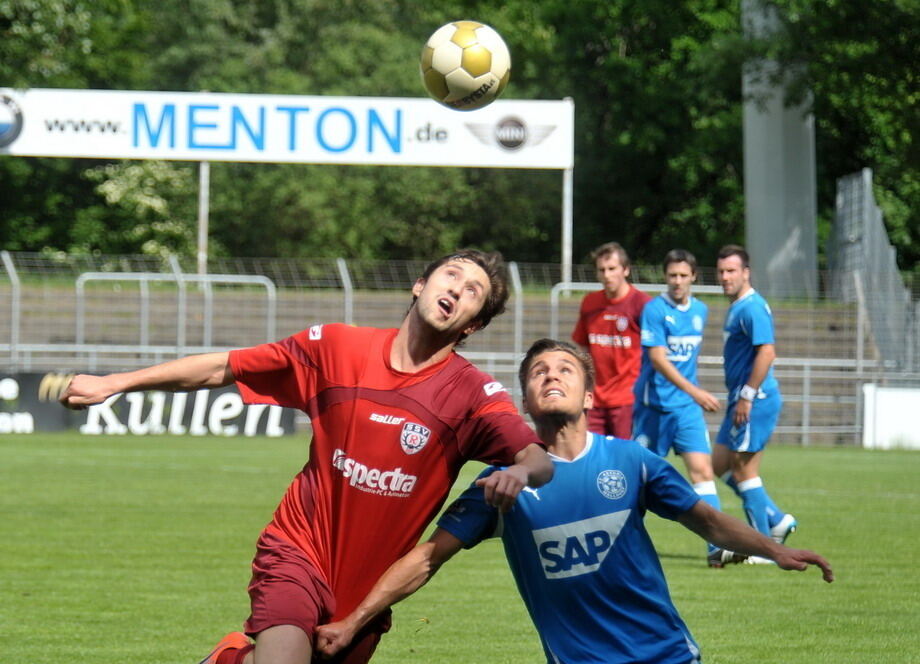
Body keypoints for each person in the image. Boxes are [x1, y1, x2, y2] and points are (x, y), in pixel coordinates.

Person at [60, 250, 554, 664]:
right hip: (296, 552)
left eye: (473, 291)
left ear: (474, 326)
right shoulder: (336, 347)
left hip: (364, 595)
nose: (458, 289)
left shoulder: (471, 395)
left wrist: (518, 471)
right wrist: (115, 383)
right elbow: (223, 367)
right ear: (420, 283)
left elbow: (538, 458)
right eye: (452, 274)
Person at [315, 338, 833, 664]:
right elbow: (427, 558)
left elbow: (709, 523)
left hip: (666, 654)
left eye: (565, 369)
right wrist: (354, 620)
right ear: (524, 402)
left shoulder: (634, 462)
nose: (551, 376)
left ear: (589, 396)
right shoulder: (500, 486)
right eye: (539, 372)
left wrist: (775, 549)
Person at [632, 249, 730, 567]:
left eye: (683, 275)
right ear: (665, 277)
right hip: (653, 410)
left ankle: (716, 546)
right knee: (636, 478)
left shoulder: (700, 310)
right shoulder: (655, 310)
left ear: (693, 277)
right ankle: (620, 542)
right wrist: (697, 391)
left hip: (686, 411)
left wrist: (692, 396)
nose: (677, 281)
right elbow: (658, 359)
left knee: (702, 472)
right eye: (672, 275)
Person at [714, 244, 797, 552]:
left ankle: (762, 547)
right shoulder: (737, 306)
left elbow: (767, 351)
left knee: (743, 470)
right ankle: (775, 519)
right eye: (722, 271)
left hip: (754, 399)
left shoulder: (751, 306)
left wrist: (747, 396)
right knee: (718, 462)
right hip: (739, 398)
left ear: (746, 272)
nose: (725, 277)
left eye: (732, 271)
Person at [572, 242, 651, 438]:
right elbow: (582, 347)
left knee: (623, 461)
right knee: (591, 457)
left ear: (625, 270)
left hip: (628, 398)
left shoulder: (643, 304)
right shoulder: (590, 303)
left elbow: (654, 352)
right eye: (602, 270)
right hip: (594, 398)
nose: (607, 275)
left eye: (612, 269)